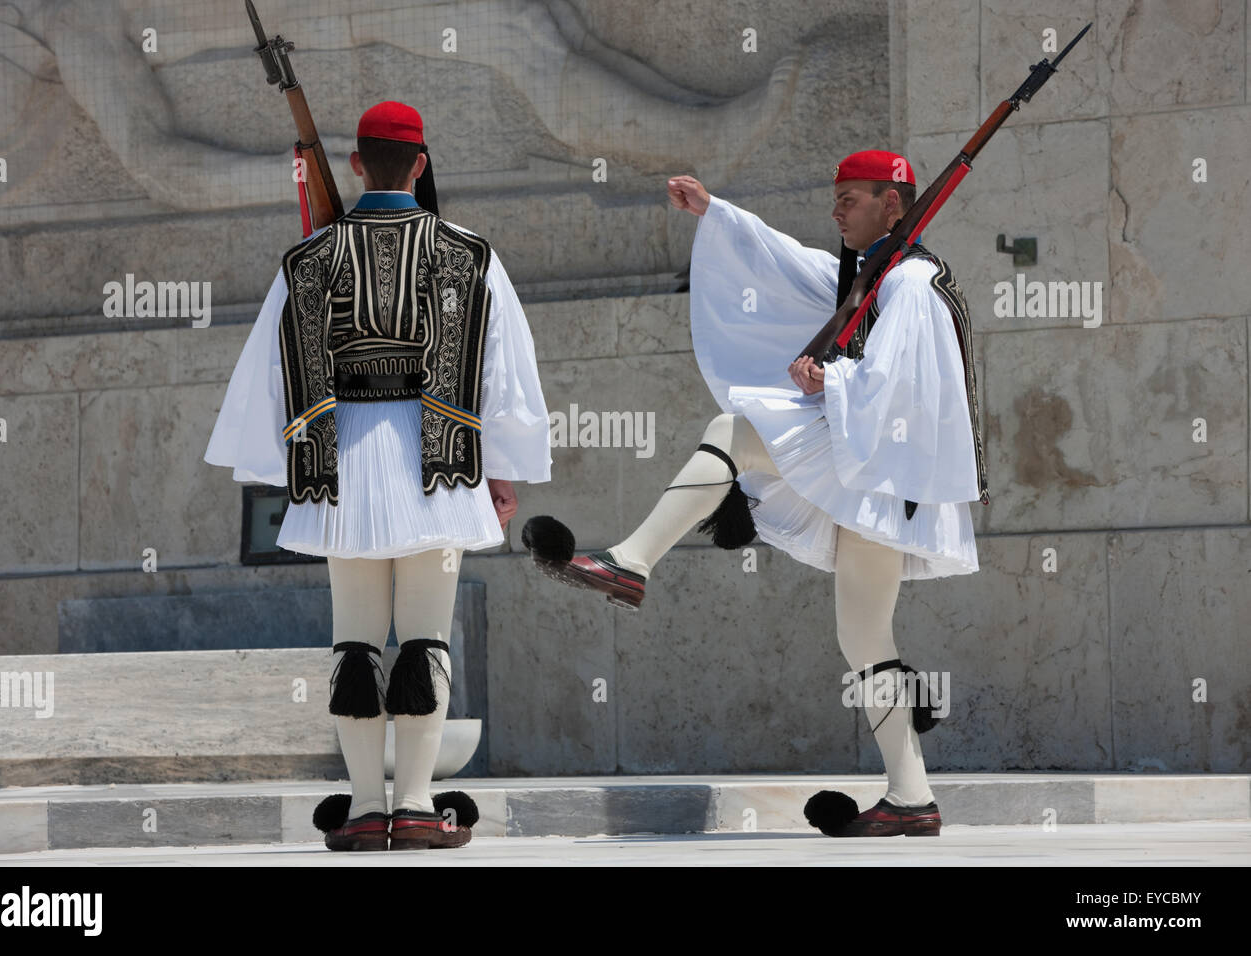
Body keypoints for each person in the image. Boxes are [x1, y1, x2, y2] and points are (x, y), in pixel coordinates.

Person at [523, 150, 987, 837]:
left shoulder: (912, 285)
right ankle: (912, 797)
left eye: (851, 199)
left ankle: (632, 561)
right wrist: (717, 214)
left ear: (894, 205)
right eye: (836, 198)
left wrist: (826, 383)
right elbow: (782, 258)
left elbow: (902, 386)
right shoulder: (869, 275)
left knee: (738, 429)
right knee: (862, 635)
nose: (836, 210)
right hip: (879, 479)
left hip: (884, 470)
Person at [205, 101, 551, 850]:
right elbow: (503, 370)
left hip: (344, 466)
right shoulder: (469, 252)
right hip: (440, 460)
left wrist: (281, 467)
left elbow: (273, 368)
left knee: (354, 642)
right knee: (426, 639)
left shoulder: (309, 258)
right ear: (421, 165)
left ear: (357, 164)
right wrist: (505, 467)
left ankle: (365, 808)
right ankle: (419, 804)